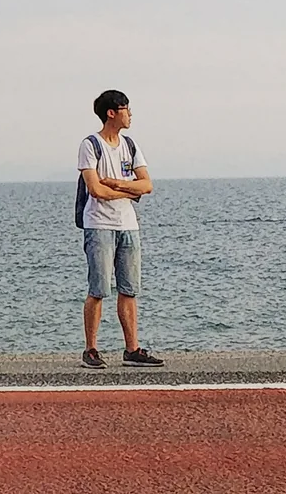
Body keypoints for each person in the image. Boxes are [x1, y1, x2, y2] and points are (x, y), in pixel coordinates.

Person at [76, 90, 163, 369]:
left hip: (128, 226)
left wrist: (114, 183)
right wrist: (127, 189)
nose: (130, 114)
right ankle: (91, 349)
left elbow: (147, 185)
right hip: (99, 225)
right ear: (111, 112)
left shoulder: (130, 145)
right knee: (99, 289)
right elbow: (94, 189)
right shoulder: (90, 145)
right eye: (126, 108)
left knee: (129, 289)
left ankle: (132, 349)